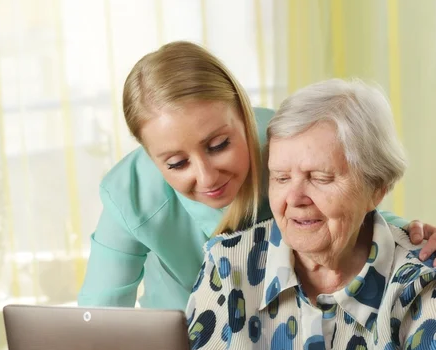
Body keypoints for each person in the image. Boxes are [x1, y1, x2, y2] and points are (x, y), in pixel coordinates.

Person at [187, 78, 436, 350]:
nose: (294, 198)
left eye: (320, 177)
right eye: (281, 177)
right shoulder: (227, 265)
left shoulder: (420, 274)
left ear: (377, 187)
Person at [78, 41, 436, 311]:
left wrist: (410, 236)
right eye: (175, 164)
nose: (206, 178)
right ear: (148, 154)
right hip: (180, 347)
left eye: (218, 145)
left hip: (283, 333)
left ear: (244, 114)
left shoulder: (288, 143)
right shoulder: (129, 195)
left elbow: (345, 199)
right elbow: (97, 321)